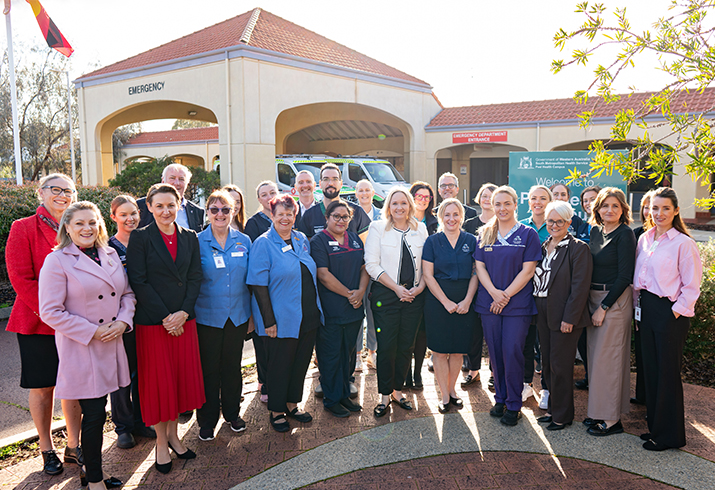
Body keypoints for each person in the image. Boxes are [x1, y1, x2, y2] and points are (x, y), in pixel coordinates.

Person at [39, 201, 136, 490]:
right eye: (79, 223)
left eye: (92, 222)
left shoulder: (110, 253)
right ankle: (94, 479)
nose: (87, 228)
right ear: (67, 227)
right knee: (94, 414)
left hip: (113, 341)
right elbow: (51, 311)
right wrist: (92, 331)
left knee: (101, 411)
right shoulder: (57, 261)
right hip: (84, 347)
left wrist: (123, 321)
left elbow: (127, 294)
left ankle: (92, 472)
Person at [5, 173, 82, 475]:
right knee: (43, 388)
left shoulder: (79, 226)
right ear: (41, 193)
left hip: (76, 323)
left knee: (74, 386)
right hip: (37, 323)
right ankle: (46, 448)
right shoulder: (22, 228)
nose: (62, 195)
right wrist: (54, 315)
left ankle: (74, 446)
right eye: (56, 190)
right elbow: (20, 279)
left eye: (69, 191)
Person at [126, 183, 205, 473]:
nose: (165, 211)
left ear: (179, 204)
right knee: (159, 385)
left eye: (171, 205)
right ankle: (161, 441)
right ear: (149, 207)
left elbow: (196, 276)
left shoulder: (190, 237)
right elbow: (139, 280)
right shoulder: (140, 238)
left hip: (184, 322)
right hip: (154, 324)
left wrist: (183, 313)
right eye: (159, 206)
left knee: (179, 381)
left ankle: (174, 435)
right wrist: (166, 317)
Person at [247, 194, 323, 432]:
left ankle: (292, 404)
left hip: (307, 315)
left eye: (290, 214)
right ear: (272, 215)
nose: (285, 218)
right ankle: (277, 410)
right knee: (280, 365)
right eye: (280, 214)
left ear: (295, 215)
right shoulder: (263, 243)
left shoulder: (301, 238)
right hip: (280, 319)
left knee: (300, 363)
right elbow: (258, 285)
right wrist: (268, 321)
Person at [634, 187, 702, 450]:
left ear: (675, 211)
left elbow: (692, 287)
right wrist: (638, 312)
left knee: (667, 374)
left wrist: (673, 312)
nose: (659, 213)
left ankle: (669, 436)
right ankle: (656, 428)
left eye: (665, 208)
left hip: (669, 313)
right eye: (654, 208)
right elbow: (638, 281)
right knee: (650, 371)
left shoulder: (684, 243)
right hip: (646, 309)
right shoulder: (645, 239)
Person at [474, 186, 540, 426]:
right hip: (489, 303)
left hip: (517, 305)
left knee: (512, 351)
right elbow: (479, 267)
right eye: (497, 204)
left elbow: (528, 270)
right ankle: (500, 398)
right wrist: (494, 293)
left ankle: (514, 403)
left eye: (507, 203)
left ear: (515, 205)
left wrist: (506, 296)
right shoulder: (484, 233)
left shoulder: (528, 234)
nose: (502, 208)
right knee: (495, 353)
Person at [194, 191, 252, 441]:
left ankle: (232, 414)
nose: (220, 214)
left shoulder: (245, 241)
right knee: (208, 370)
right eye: (215, 209)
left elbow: (253, 281)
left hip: (237, 316)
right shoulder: (196, 242)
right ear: (207, 212)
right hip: (207, 318)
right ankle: (206, 421)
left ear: (233, 212)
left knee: (232, 368)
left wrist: (252, 316)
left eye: (225, 210)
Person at [365, 188, 428, 417]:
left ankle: (397, 391)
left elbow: (427, 263)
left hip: (414, 297)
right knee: (387, 346)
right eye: (394, 203)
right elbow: (371, 264)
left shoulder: (420, 228)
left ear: (410, 205)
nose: (399, 207)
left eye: (403, 203)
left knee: (406, 346)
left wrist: (419, 288)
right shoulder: (377, 228)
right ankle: (383, 396)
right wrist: (396, 288)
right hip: (386, 296)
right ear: (388, 207)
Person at [533, 201, 592, 431]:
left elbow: (580, 288)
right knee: (547, 363)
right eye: (550, 221)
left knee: (561, 365)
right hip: (543, 311)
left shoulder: (578, 248)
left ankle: (563, 415)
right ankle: (553, 410)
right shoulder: (543, 245)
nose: (554, 225)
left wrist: (570, 318)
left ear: (569, 222)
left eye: (560, 221)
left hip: (565, 314)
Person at [584, 187, 636, 437]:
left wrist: (604, 307)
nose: (610, 210)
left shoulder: (625, 235)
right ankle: (598, 411)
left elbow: (625, 276)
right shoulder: (595, 230)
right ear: (598, 208)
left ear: (623, 209)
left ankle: (612, 420)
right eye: (605, 205)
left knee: (610, 361)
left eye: (615, 206)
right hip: (593, 298)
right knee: (596, 361)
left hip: (613, 302)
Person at [311, 200, 369, 417]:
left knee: (348, 354)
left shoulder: (354, 239)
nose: (341, 220)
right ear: (327, 218)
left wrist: (361, 291)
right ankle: (332, 399)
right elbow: (323, 275)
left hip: (353, 309)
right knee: (331, 355)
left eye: (345, 217)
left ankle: (344, 394)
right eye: (336, 216)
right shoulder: (318, 241)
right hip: (332, 310)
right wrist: (349, 294)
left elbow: (365, 267)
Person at [107, 196, 156, 450]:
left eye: (133, 214)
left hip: (146, 316)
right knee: (121, 375)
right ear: (113, 216)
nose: (130, 219)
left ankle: (140, 421)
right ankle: (123, 427)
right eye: (123, 214)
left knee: (142, 373)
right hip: (120, 320)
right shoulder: (107, 249)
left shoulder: (147, 241)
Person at [422, 199, 478, 413]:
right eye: (447, 214)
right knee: (439, 350)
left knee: (457, 351)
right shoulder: (432, 241)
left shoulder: (471, 240)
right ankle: (444, 395)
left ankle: (453, 390)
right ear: (440, 217)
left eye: (456, 214)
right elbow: (428, 274)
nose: (451, 218)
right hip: (437, 300)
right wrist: (445, 301)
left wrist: (467, 300)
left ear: (462, 217)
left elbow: (476, 272)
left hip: (465, 298)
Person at [243, 180, 278, 403]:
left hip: (282, 286)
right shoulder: (253, 224)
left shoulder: (287, 216)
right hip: (262, 287)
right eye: (264, 194)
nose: (268, 197)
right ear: (259, 200)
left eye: (272, 192)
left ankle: (280, 380)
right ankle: (264, 381)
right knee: (263, 338)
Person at [520, 185, 553, 404]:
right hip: (525, 292)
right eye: (533, 198)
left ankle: (548, 389)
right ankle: (526, 385)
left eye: (543, 198)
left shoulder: (555, 226)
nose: (538, 202)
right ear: (528, 201)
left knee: (548, 343)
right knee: (526, 341)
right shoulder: (520, 226)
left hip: (550, 294)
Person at [462, 183, 497, 388]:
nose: (487, 199)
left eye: (491, 196)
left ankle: (494, 372)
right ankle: (474, 370)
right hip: (473, 282)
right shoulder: (469, 224)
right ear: (479, 198)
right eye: (484, 195)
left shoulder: (502, 223)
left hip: (495, 284)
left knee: (493, 332)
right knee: (474, 331)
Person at [404, 181, 438, 390]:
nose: (423, 200)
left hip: (428, 284)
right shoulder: (401, 220)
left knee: (421, 333)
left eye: (427, 197)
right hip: (405, 285)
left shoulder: (434, 223)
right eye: (419, 196)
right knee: (407, 332)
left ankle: (417, 374)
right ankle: (405, 373)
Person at [298, 163, 371, 243]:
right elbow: (305, 248)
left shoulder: (357, 212)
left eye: (335, 179)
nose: (330, 183)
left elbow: (367, 245)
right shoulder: (309, 215)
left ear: (341, 184)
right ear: (320, 184)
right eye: (326, 179)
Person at [630, 190, 655, 406]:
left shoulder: (676, 238)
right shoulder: (637, 234)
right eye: (646, 207)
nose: (649, 211)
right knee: (641, 349)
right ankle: (642, 394)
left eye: (653, 206)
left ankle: (654, 397)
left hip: (661, 305)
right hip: (638, 301)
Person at [575, 185, 601, 391]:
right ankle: (590, 375)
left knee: (599, 340)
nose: (588, 203)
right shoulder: (582, 227)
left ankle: (599, 380)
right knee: (583, 338)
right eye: (585, 200)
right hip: (582, 290)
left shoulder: (607, 228)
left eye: (593, 199)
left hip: (600, 292)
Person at [354, 179, 380, 369]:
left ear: (373, 192)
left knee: (374, 314)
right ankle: (356, 355)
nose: (364, 193)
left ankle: (372, 352)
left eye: (367, 190)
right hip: (356, 270)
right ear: (356, 194)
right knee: (357, 314)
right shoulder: (351, 214)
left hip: (378, 271)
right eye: (360, 190)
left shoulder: (382, 214)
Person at [136, 163, 205, 232]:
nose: (177, 183)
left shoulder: (197, 211)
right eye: (172, 178)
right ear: (163, 181)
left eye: (181, 179)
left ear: (187, 184)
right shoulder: (141, 206)